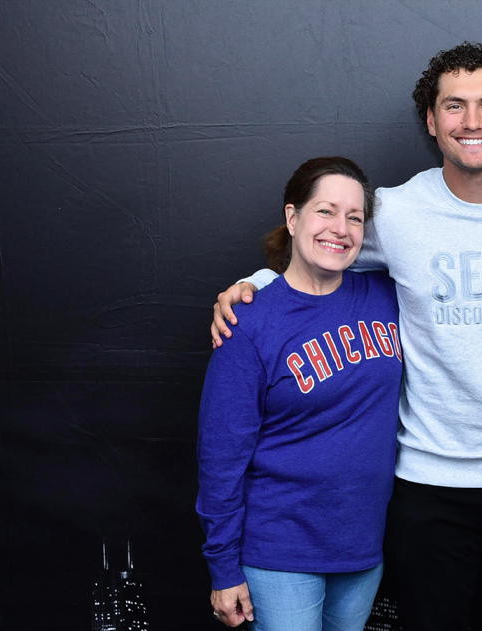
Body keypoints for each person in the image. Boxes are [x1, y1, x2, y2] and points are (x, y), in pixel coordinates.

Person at [210, 43, 482, 630]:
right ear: (432, 122)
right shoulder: (396, 211)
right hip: (428, 483)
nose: (472, 121)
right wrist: (251, 284)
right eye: (453, 106)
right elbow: (322, 250)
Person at [197, 157, 403, 631]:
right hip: (280, 547)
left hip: (362, 545)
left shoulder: (387, 295)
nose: (341, 228)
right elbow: (220, 458)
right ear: (293, 218)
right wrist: (223, 567)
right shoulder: (248, 323)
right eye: (326, 211)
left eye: (354, 217)